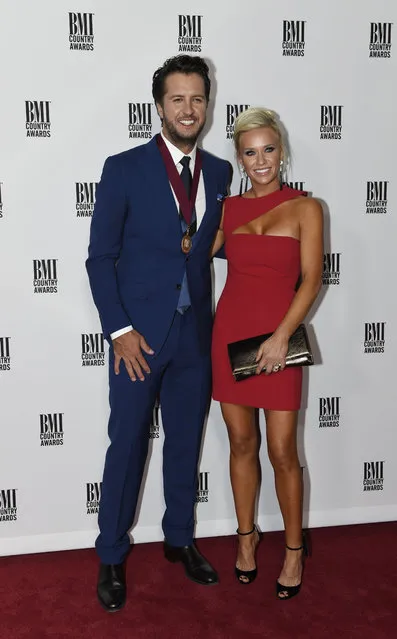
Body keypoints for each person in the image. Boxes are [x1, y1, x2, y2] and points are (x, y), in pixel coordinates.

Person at [86, 54, 231, 612]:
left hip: (194, 336)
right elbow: (101, 259)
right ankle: (111, 555)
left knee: (184, 444)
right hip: (136, 341)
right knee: (125, 446)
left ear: (207, 104)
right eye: (178, 99)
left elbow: (207, 244)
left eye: (197, 98)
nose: (188, 109)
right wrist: (119, 330)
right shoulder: (123, 167)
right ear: (160, 105)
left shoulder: (218, 172)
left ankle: (180, 540)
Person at [211, 107, 323, 600]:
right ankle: (246, 537)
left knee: (282, 450)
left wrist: (281, 337)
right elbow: (191, 253)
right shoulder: (228, 209)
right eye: (250, 152)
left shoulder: (306, 208)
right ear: (239, 158)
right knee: (240, 444)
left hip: (280, 339)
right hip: (229, 335)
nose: (261, 161)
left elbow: (312, 279)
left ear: (282, 151)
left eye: (269, 150)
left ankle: (294, 549)